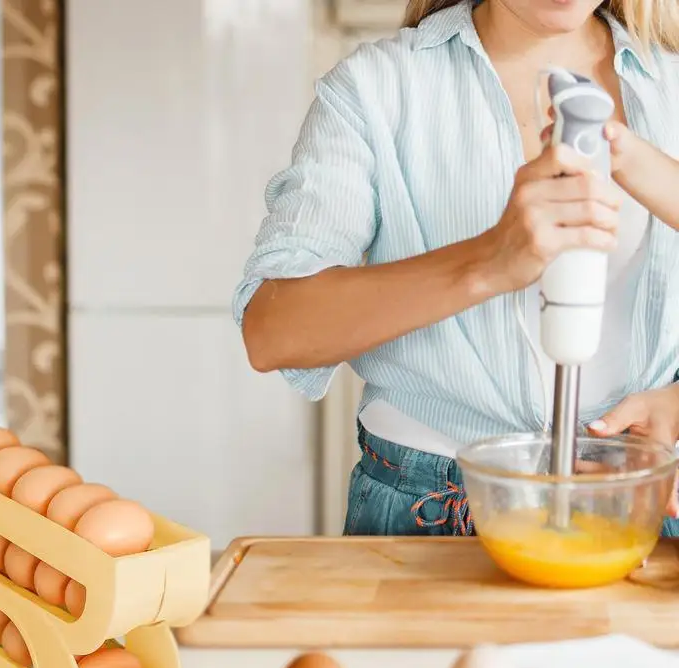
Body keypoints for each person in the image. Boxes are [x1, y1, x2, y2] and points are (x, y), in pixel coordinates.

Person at [233, 0, 679, 536]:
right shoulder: (380, 88)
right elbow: (273, 332)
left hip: (642, 504)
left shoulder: (670, 84)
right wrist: (488, 261)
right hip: (425, 512)